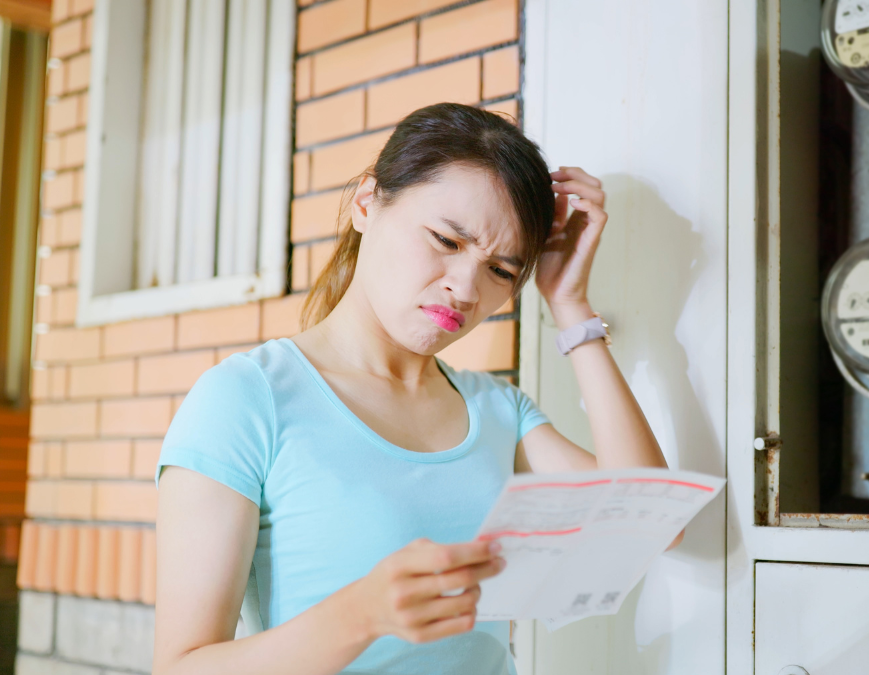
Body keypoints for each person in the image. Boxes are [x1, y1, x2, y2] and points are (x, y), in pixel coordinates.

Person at [151, 103, 678, 675]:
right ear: (366, 204)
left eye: (501, 271)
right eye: (447, 241)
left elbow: (651, 523)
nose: (465, 288)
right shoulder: (247, 399)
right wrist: (361, 614)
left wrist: (571, 306)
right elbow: (182, 666)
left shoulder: (496, 410)